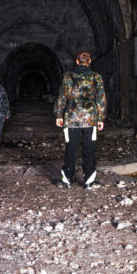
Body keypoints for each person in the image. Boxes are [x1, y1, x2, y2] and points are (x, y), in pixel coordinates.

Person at [54, 51, 107, 189]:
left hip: (71, 118)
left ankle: (67, 180)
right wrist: (100, 118)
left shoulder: (68, 77)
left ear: (77, 61)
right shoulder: (96, 77)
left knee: (70, 149)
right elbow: (101, 98)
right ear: (89, 62)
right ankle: (89, 181)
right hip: (90, 119)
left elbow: (62, 97)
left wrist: (59, 115)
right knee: (89, 149)